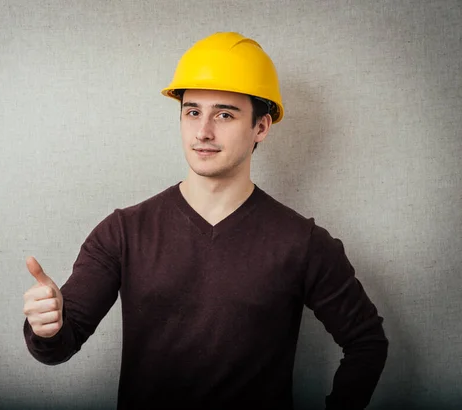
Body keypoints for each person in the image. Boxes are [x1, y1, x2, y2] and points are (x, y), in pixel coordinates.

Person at [22, 32, 388, 410]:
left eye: (225, 114)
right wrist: (46, 327)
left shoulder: (302, 242)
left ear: (261, 127)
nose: (203, 131)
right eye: (193, 111)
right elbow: (59, 347)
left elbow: (366, 342)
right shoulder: (123, 232)